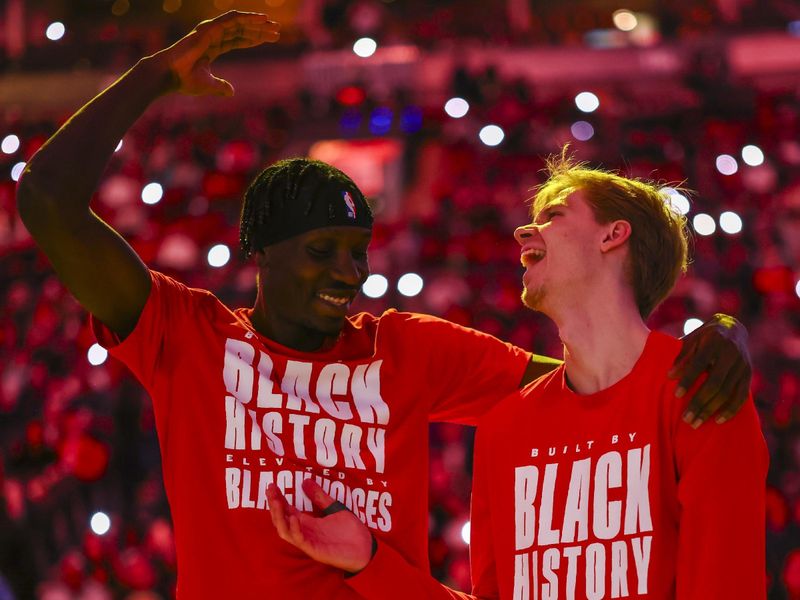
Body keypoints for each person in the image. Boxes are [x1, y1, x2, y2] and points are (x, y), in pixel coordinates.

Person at [16, 11, 753, 599]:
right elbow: (47, 199)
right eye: (322, 250)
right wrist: (151, 77)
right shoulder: (187, 336)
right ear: (262, 254)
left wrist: (718, 333)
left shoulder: (406, 348)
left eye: (359, 249)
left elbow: (598, 375)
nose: (351, 272)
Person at [268, 155, 767, 599]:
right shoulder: (506, 426)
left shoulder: (699, 385)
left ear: (613, 235)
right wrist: (370, 562)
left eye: (553, 216)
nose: (524, 233)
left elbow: (726, 585)